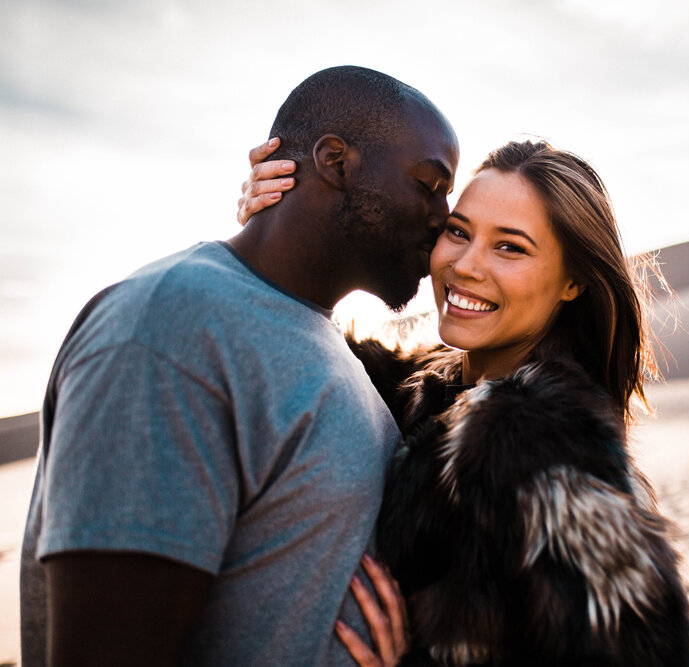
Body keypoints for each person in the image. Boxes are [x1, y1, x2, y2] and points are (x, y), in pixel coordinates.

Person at [19, 65, 459, 666]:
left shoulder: (318, 338)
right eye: (429, 184)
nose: (444, 216)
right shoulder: (169, 329)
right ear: (335, 161)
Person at [242, 140, 689, 666]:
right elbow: (283, 349)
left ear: (573, 281)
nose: (465, 265)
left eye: (510, 247)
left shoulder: (548, 451)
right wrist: (282, 224)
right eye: (457, 233)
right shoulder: (419, 389)